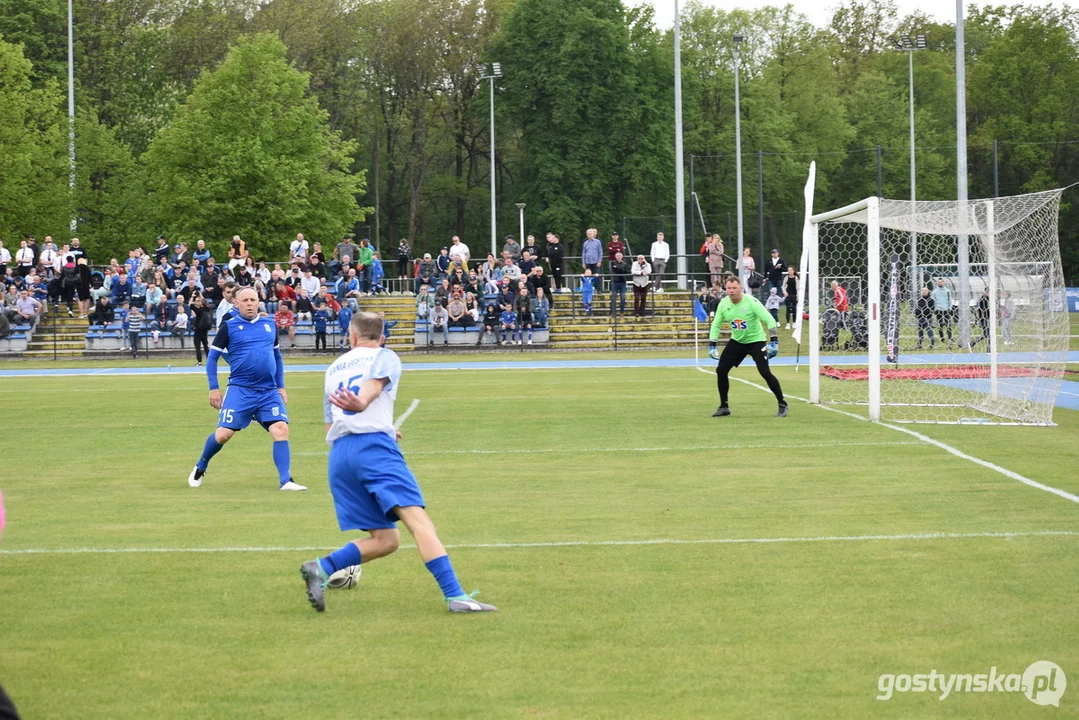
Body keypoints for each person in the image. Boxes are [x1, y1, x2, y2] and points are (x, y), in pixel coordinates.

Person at [298, 312, 496, 613]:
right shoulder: (385, 355)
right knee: (420, 523)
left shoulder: (333, 368)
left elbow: (331, 425)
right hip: (373, 450)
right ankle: (456, 596)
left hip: (340, 455)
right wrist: (366, 409)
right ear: (383, 337)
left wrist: (381, 425)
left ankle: (322, 568)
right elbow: (372, 389)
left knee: (386, 539)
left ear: (351, 337)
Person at [188, 286, 305, 491]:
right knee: (223, 434)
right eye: (245, 300)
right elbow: (212, 358)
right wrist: (213, 388)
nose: (250, 304)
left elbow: (277, 357)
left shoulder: (269, 325)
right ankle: (200, 466)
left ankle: (285, 480)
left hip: (268, 391)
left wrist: (281, 386)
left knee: (281, 429)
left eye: (253, 300)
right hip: (240, 389)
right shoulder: (229, 326)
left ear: (258, 301)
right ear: (237, 303)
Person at [708, 276, 787, 418]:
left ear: (740, 289)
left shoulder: (751, 302)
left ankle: (782, 403)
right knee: (721, 370)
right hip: (737, 341)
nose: (731, 291)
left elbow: (769, 320)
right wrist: (712, 344)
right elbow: (716, 324)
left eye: (734, 288)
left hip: (756, 341)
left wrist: (774, 341)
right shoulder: (723, 304)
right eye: (729, 288)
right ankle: (724, 406)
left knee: (765, 372)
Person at [191, 294, 213, 366]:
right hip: (205, 330)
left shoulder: (199, 310)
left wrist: (192, 296)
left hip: (198, 330)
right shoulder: (208, 309)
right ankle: (210, 361)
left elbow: (190, 305)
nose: (197, 302)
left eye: (198, 301)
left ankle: (199, 361)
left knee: (198, 346)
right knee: (206, 346)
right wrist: (200, 295)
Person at [931, 278, 953, 345]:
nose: (940, 283)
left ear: (943, 283)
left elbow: (950, 300)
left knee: (948, 325)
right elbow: (933, 301)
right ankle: (942, 338)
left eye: (941, 282)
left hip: (946, 310)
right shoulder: (934, 292)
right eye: (938, 282)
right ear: (937, 283)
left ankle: (950, 339)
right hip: (938, 310)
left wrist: (950, 307)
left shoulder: (947, 291)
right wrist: (934, 309)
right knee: (940, 325)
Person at [609, 252, 629, 317]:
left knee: (623, 298)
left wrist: (618, 269)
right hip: (615, 281)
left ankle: (622, 312)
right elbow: (613, 270)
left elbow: (626, 271)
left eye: (620, 256)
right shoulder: (612, 263)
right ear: (615, 256)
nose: (618, 257)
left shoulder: (625, 264)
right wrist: (621, 270)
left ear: (622, 257)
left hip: (622, 282)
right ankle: (612, 312)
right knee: (613, 297)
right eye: (617, 256)